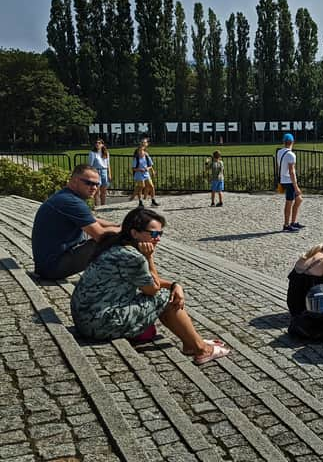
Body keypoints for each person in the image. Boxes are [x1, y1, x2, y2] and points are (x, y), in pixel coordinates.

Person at [70, 207, 231, 365]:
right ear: (134, 233)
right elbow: (153, 289)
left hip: (86, 318)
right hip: (97, 324)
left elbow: (144, 280)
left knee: (168, 292)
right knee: (166, 297)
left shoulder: (114, 245)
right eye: (153, 233)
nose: (158, 238)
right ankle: (200, 349)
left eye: (160, 233)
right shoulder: (133, 257)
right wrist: (149, 257)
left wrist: (175, 284)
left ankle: (192, 340)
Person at [31, 165, 121, 279]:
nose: (94, 187)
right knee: (110, 240)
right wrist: (127, 230)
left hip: (46, 265)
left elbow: (92, 220)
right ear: (74, 182)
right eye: (89, 183)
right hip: (53, 268)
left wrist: (117, 225)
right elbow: (100, 235)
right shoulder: (72, 202)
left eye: (97, 184)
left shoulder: (66, 196)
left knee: (117, 234)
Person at [276, 133, 304, 232]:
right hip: (289, 181)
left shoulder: (279, 152)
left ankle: (293, 222)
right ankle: (287, 224)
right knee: (289, 202)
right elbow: (292, 171)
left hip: (283, 180)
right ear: (292, 142)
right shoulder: (291, 154)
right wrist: (296, 186)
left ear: (284, 142)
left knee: (299, 199)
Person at [88, 138, 111, 206]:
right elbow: (90, 165)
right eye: (96, 143)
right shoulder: (92, 153)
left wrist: (109, 173)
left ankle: (103, 205)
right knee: (97, 190)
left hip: (104, 171)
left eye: (99, 143)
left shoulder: (106, 153)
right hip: (96, 171)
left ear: (102, 144)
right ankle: (97, 205)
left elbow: (108, 164)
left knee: (104, 191)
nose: (97, 144)